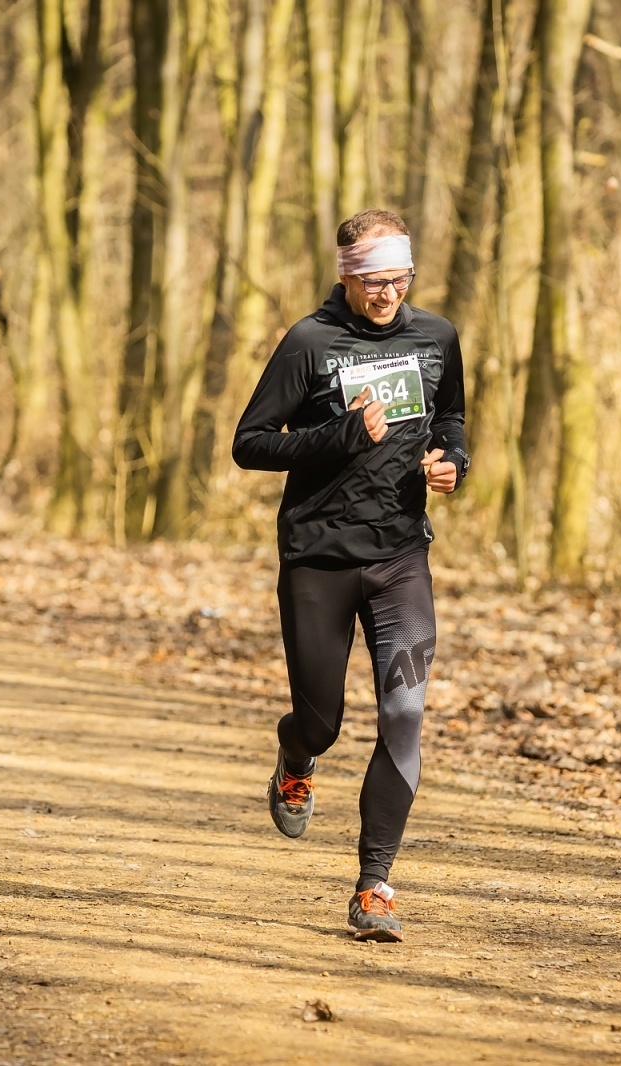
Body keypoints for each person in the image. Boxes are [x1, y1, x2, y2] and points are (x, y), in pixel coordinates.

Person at [233, 208, 468, 943]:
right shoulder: (310, 343)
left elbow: (452, 418)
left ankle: (375, 887)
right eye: (373, 281)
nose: (386, 294)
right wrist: (338, 434)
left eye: (399, 280)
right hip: (318, 557)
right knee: (324, 718)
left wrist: (452, 462)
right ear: (348, 276)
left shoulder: (436, 338)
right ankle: (297, 752)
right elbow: (250, 444)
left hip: (401, 558)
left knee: (404, 714)